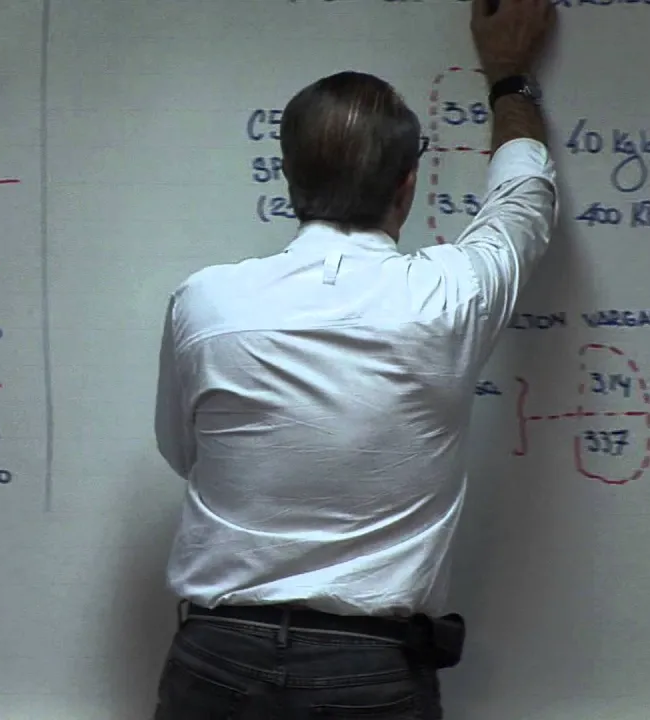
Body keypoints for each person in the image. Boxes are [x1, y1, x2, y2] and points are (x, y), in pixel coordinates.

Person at [149, 0, 558, 718]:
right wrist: (508, 78)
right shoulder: (449, 296)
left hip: (216, 661)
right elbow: (523, 198)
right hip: (367, 671)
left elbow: (184, 454)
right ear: (408, 185)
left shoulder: (205, 303)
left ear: (287, 176)